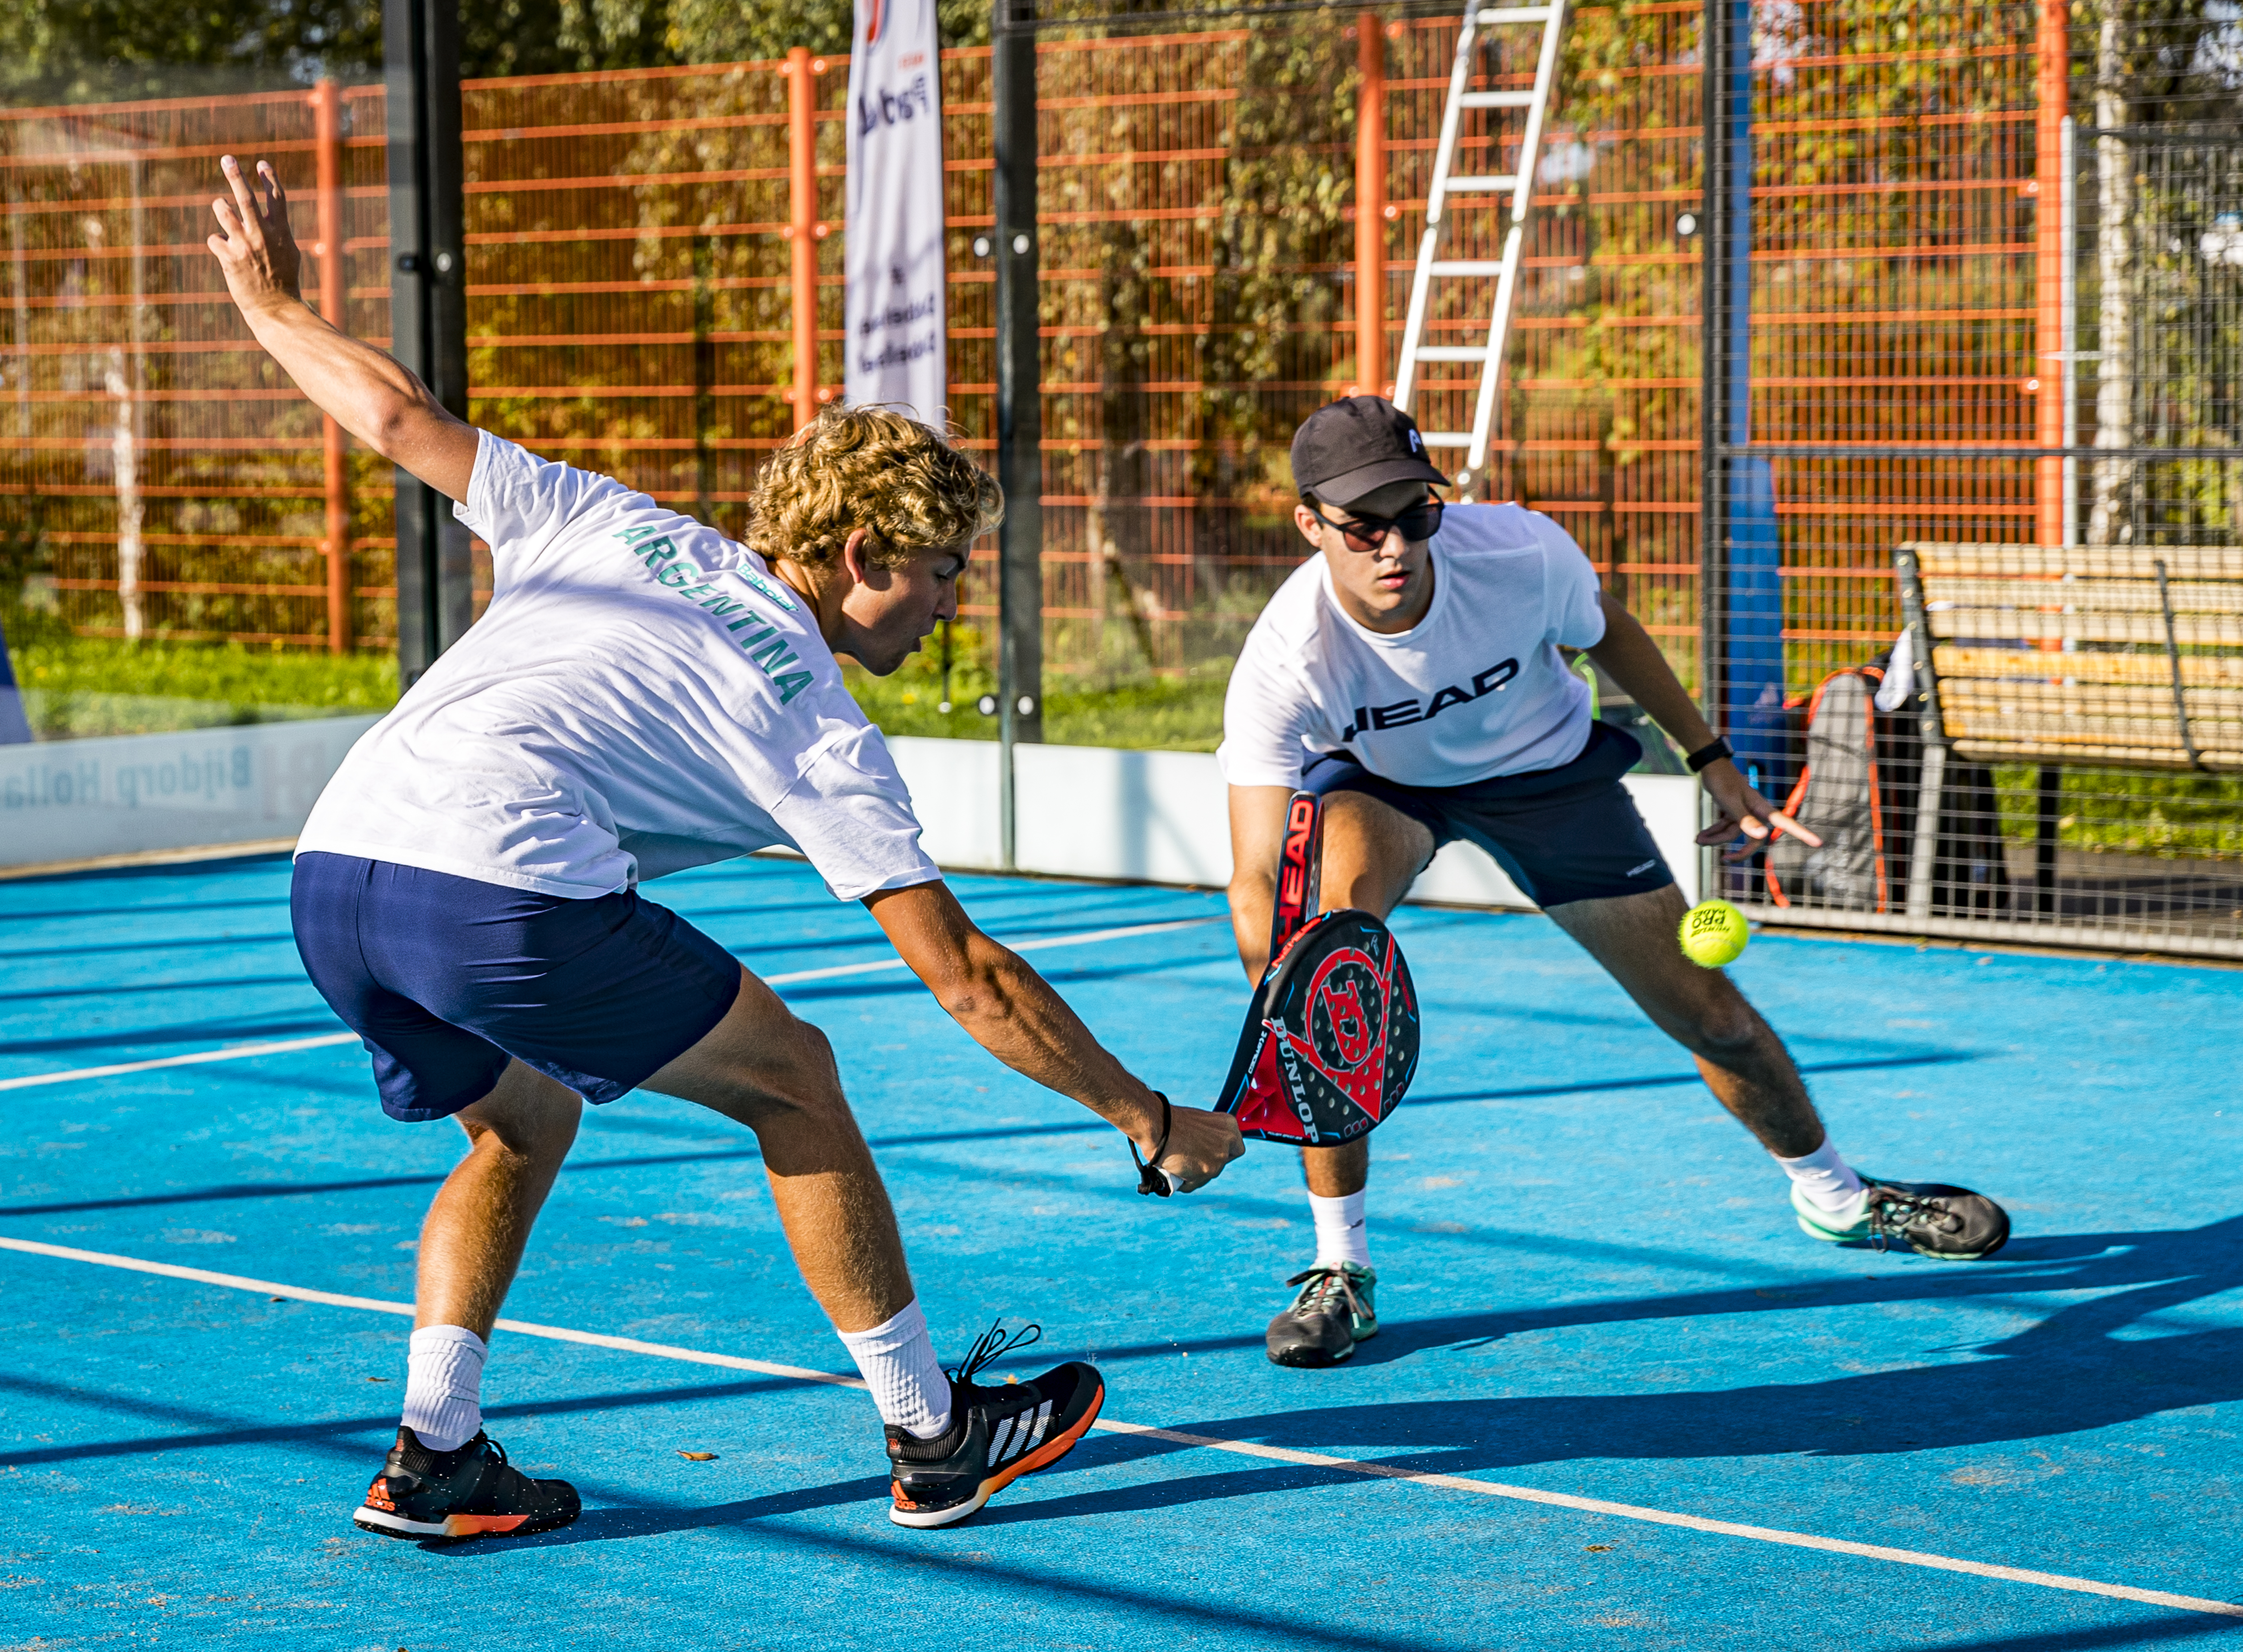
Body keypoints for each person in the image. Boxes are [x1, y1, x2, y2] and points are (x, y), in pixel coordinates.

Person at [204, 154, 1243, 1533]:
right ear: (864, 549)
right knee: (797, 1078)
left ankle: (435, 1449)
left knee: (520, 1117)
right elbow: (967, 977)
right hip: (497, 882)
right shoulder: (812, 717)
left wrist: (272, 305)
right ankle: (934, 1433)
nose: (948, 608)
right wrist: (1143, 1113)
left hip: (333, 869)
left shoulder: (610, 517)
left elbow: (396, 415)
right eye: (940, 575)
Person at [1220, 396, 2009, 1370]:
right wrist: (1288, 991)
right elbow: (1255, 869)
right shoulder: (1285, 654)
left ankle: (1838, 1197)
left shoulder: (1519, 554)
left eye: (1414, 513)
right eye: (1362, 524)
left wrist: (1712, 756)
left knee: (1710, 1012)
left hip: (1552, 779)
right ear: (1312, 525)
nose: (1394, 544)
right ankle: (1342, 1266)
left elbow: (1613, 634)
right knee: (1326, 958)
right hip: (1386, 791)